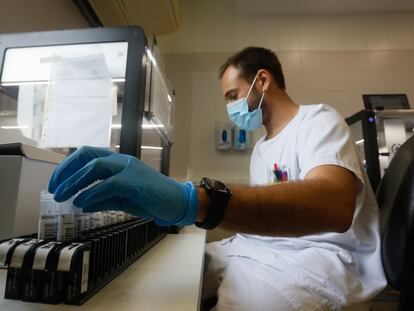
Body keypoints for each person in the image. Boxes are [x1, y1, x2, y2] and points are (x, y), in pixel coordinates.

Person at [48, 47, 386, 310]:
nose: (231, 109)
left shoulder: (318, 120)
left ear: (263, 81)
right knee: (165, 277)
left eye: (233, 96)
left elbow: (334, 205)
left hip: (322, 262)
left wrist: (200, 200)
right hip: (264, 251)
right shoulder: (262, 149)